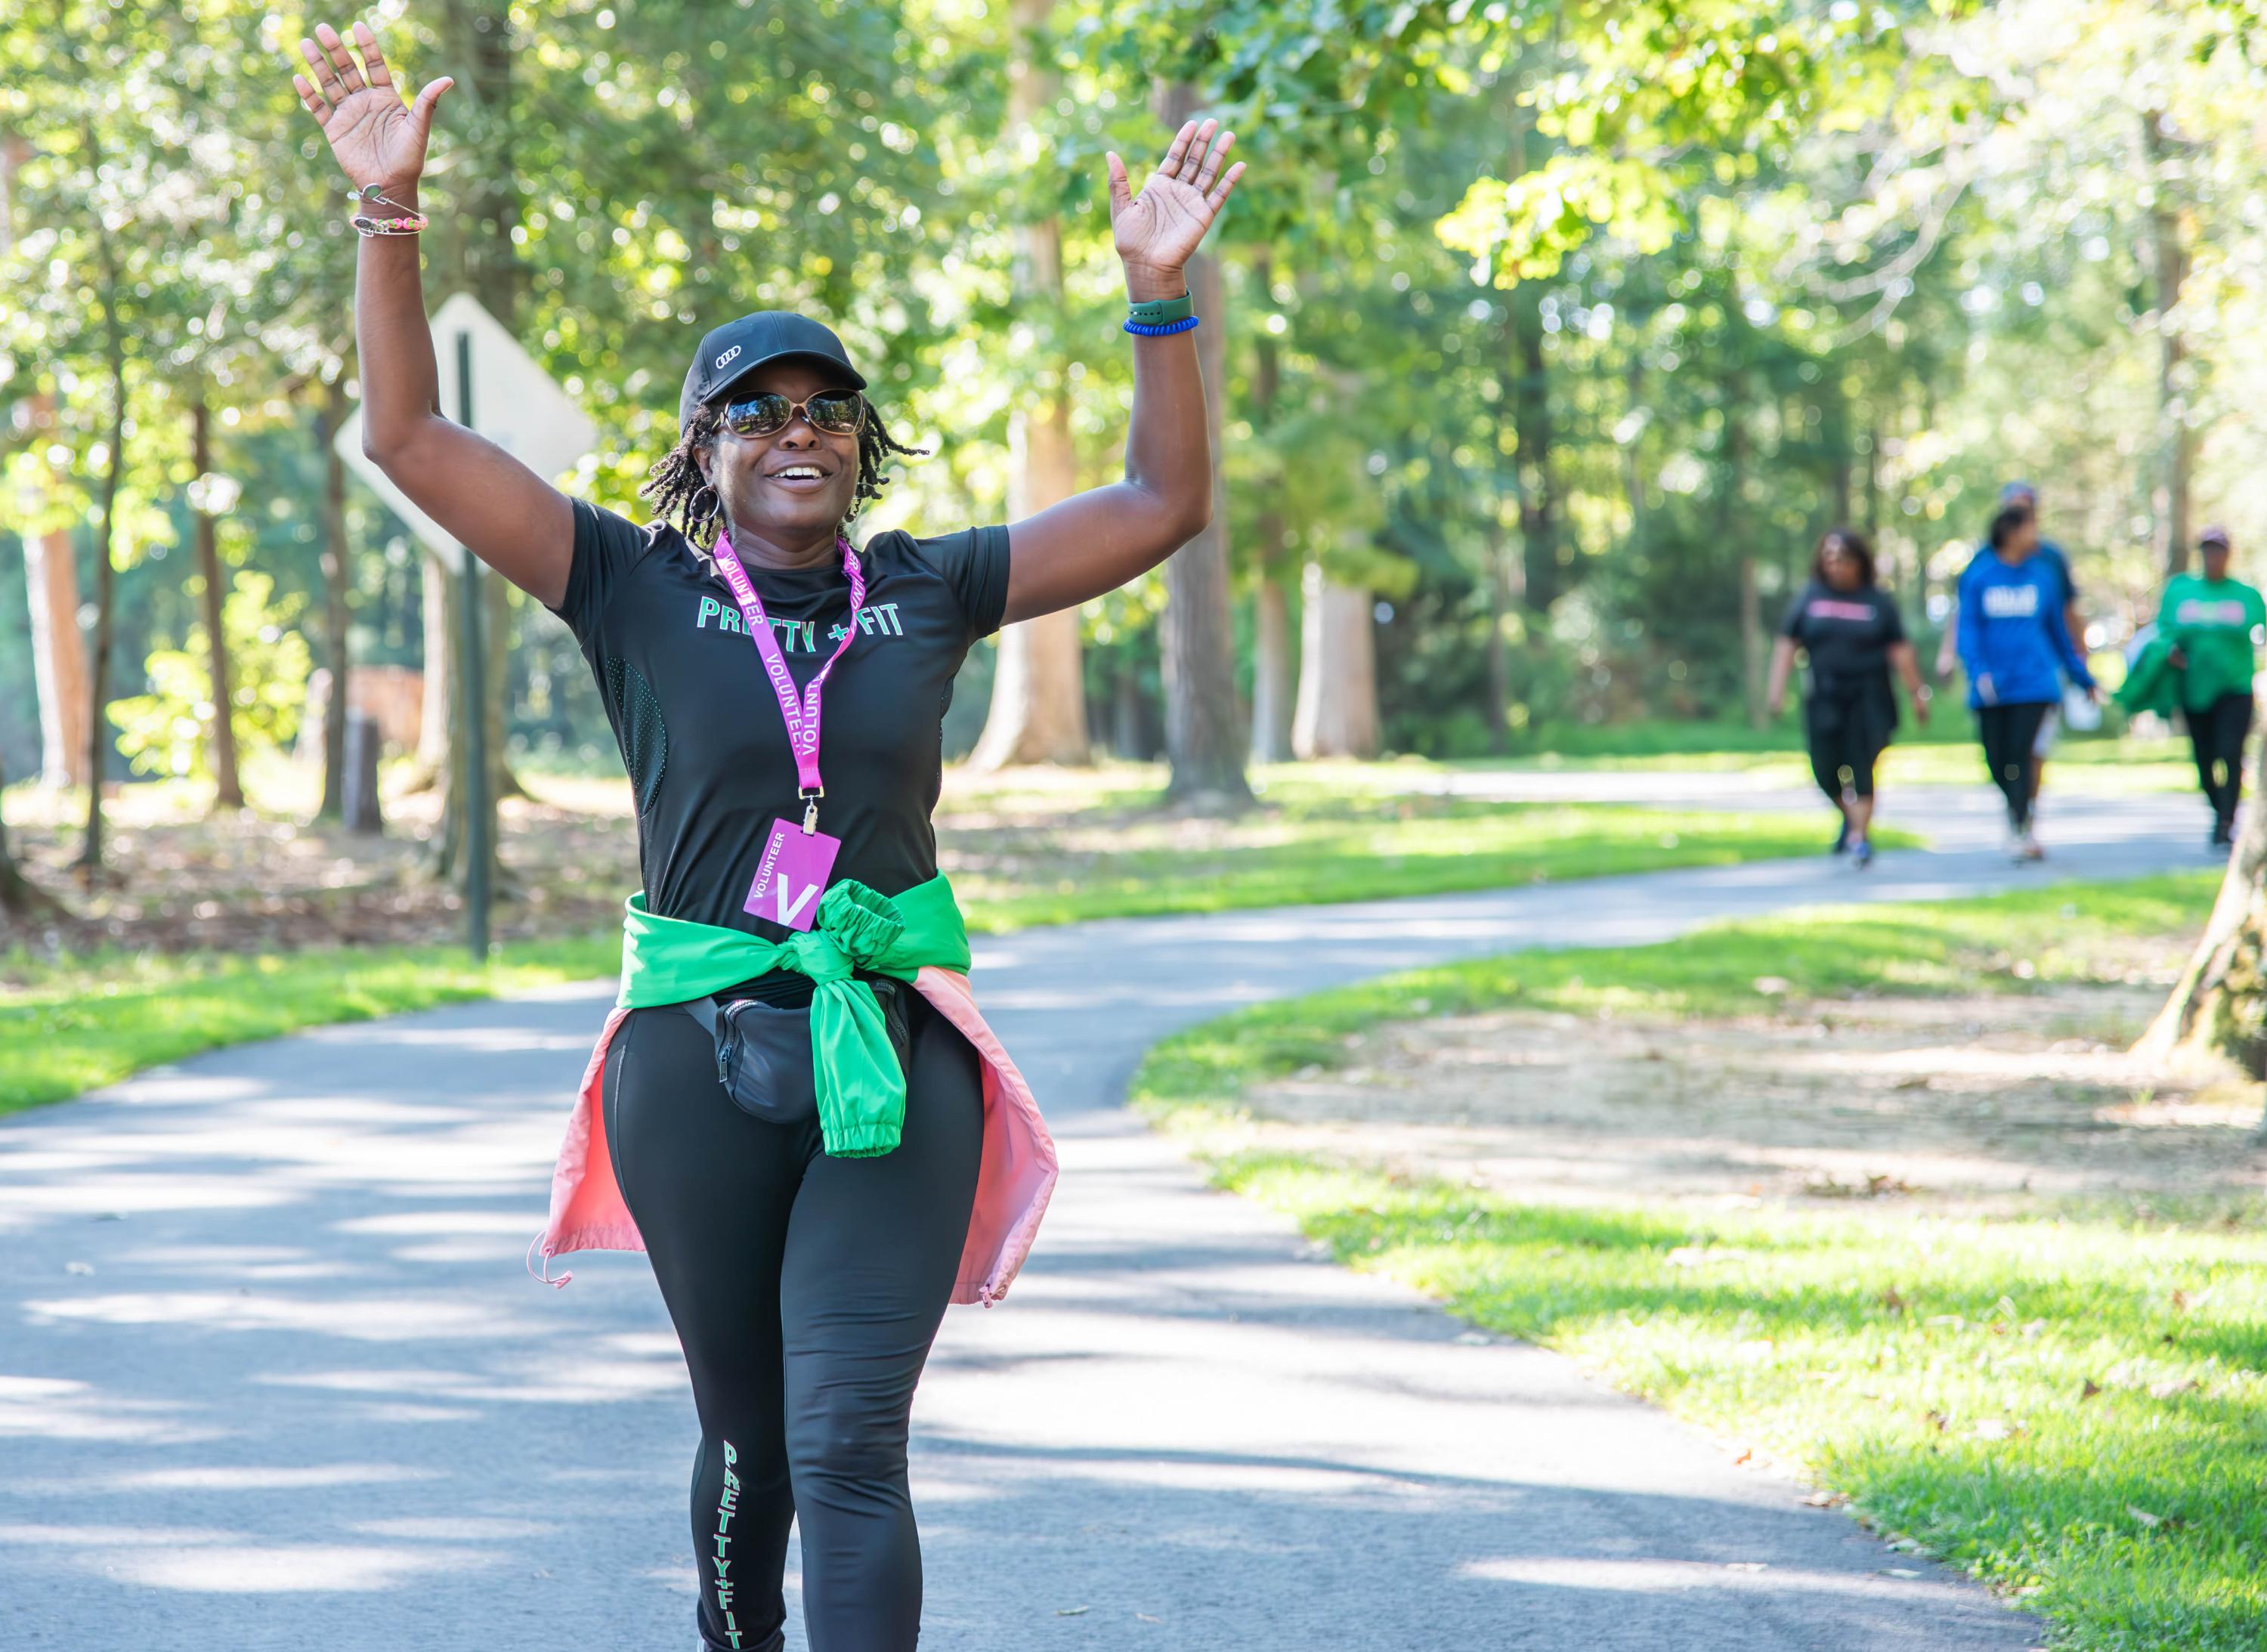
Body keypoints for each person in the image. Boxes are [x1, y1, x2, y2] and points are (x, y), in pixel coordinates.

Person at [289, 21, 1245, 1651]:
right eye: (753, 410)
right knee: (753, 1442)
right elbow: (412, 445)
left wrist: (1159, 301)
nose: (794, 430)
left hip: (895, 1051)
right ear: (704, 450)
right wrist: (391, 217)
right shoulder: (628, 583)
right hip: (693, 1051)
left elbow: (1163, 504)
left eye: (825, 409)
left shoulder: (929, 589)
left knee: (853, 1435)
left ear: (861, 444)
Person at [1764, 527, 1929, 869]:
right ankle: (1852, 819)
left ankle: (1859, 837)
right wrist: (1776, 691)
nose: (1836, 566)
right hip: (1824, 695)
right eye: (1829, 559)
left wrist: (1917, 693)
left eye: (1843, 559)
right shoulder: (1810, 597)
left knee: (1862, 762)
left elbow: (1900, 650)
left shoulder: (1877, 601)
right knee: (1824, 768)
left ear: (1859, 562)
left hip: (1868, 695)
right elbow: (1786, 644)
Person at [1956, 500, 2099, 861]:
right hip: (1992, 688)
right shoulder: (1979, 576)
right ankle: (2018, 815)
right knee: (1995, 759)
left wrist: (2082, 677)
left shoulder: (2042, 577)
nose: (2036, 535)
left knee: (2022, 755)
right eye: (2029, 528)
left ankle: (2021, 825)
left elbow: (2058, 633)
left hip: (2035, 685)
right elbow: (1968, 630)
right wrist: (1978, 672)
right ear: (2010, 531)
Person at [1937, 480, 2084, 814]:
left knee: (2032, 749)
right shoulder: (1983, 561)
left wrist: (2079, 660)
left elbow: (2066, 611)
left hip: (2038, 673)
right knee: (2000, 754)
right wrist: (1950, 655)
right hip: (1993, 676)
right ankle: (2019, 808)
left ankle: (2025, 814)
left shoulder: (2049, 560)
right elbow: (1965, 614)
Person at [2157, 525, 2265, 846]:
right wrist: (2171, 651)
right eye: (2207, 550)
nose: (2212, 557)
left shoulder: (2246, 595)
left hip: (2235, 687)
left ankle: (2226, 822)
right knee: (2205, 758)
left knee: (2230, 752)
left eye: (2218, 551)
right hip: (2195, 689)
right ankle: (2220, 809)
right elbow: (2162, 634)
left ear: (2228, 555)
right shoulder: (2180, 591)